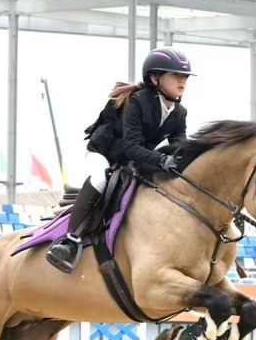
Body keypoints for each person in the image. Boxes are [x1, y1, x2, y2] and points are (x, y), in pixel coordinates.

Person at [46, 46, 193, 273]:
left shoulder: (179, 112)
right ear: (155, 78)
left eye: (184, 77)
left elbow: (178, 145)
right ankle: (70, 240)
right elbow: (132, 147)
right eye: (175, 76)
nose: (182, 82)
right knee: (99, 181)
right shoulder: (137, 102)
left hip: (132, 161)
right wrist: (162, 161)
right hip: (104, 154)